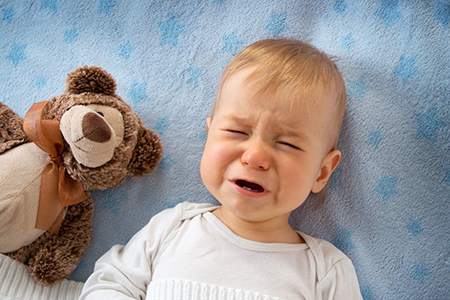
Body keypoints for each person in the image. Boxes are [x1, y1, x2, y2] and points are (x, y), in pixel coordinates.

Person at [80, 38, 362, 300]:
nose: (254, 156)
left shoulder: (325, 272)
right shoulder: (172, 229)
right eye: (237, 131)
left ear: (322, 172)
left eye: (287, 144)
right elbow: (110, 283)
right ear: (209, 134)